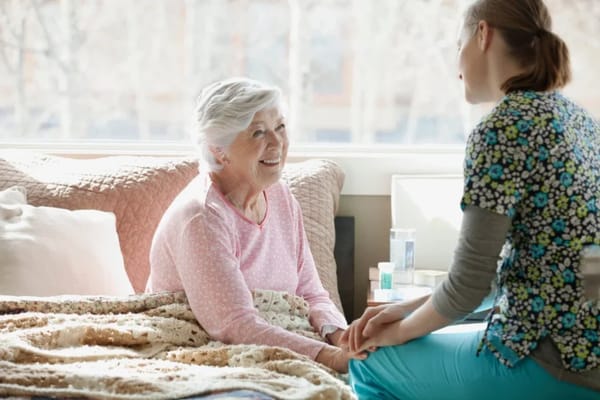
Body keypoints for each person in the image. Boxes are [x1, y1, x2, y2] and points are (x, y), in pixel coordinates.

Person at [341, 0, 600, 398]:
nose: (456, 65)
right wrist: (407, 309)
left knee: (370, 362)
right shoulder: (580, 122)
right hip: (588, 357)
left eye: (458, 44)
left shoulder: (500, 130)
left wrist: (398, 333)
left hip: (551, 366)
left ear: (483, 35)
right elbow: (519, 272)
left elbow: (468, 285)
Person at [145, 77, 361, 373]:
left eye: (280, 127)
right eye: (258, 132)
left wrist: (342, 338)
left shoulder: (280, 195)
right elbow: (236, 325)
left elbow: (312, 294)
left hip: (275, 340)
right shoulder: (203, 217)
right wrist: (326, 357)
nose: (277, 142)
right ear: (219, 149)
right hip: (204, 349)